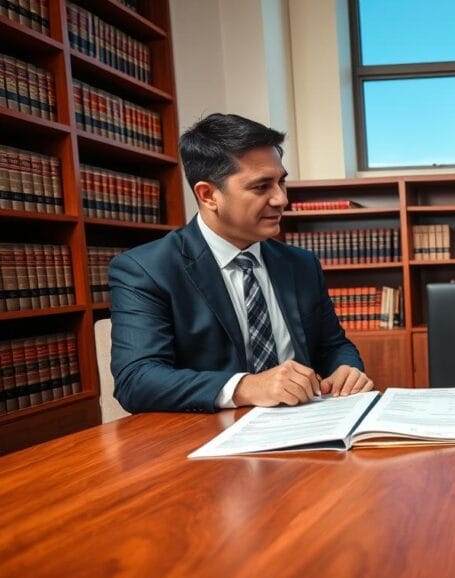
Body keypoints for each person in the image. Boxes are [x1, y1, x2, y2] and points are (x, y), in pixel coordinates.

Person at [109, 113, 373, 413]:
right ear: (208, 195)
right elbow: (136, 379)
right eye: (262, 187)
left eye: (281, 182)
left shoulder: (301, 264)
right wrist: (246, 387)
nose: (281, 199)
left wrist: (346, 370)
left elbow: (333, 346)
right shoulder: (146, 270)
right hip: (206, 438)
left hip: (307, 427)